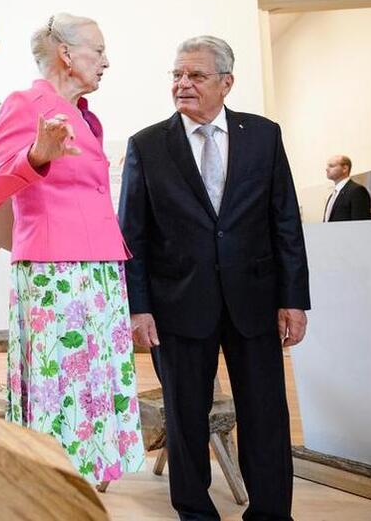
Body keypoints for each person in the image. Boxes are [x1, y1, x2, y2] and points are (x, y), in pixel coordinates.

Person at [119, 35, 310, 521]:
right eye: (177, 75)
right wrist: (137, 307)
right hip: (177, 305)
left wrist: (294, 298)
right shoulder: (146, 145)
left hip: (255, 301)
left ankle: (270, 513)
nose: (183, 84)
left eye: (196, 76)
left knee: (266, 415)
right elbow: (132, 235)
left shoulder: (264, 136)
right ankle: (195, 512)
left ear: (227, 83)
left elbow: (284, 221)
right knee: (185, 419)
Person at [0, 13, 145, 485]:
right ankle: (53, 485)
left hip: (101, 270)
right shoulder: (25, 104)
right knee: (61, 385)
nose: (106, 61)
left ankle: (82, 485)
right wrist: (34, 157)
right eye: (98, 50)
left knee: (91, 384)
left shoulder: (89, 117)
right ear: (66, 55)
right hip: (55, 271)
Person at [323, 155, 370, 221]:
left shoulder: (357, 191)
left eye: (331, 166)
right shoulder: (333, 195)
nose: (327, 169)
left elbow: (360, 223)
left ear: (345, 168)